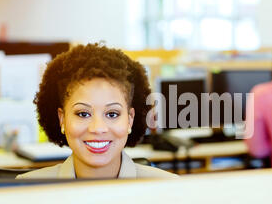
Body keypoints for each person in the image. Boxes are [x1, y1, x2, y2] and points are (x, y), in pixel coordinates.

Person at [17, 43, 177, 179]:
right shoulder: (25, 191)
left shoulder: (168, 189)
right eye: (83, 114)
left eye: (112, 114)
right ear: (62, 119)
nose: (98, 128)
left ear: (130, 120)